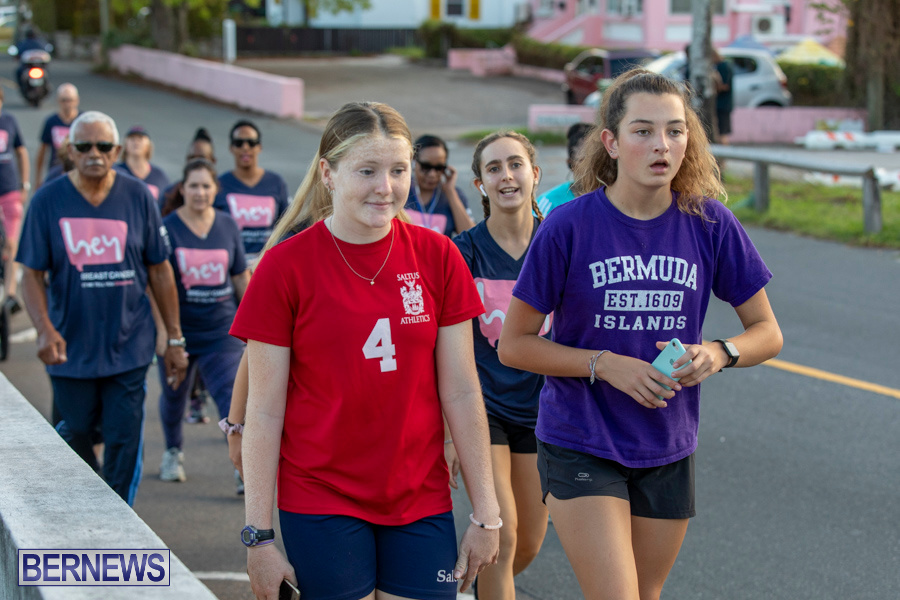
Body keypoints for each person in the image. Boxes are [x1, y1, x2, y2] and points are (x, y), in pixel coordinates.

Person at [498, 70, 783, 600]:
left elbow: (767, 332)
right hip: (581, 439)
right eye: (643, 131)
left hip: (667, 442)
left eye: (675, 131)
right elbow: (513, 344)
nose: (662, 145)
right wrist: (603, 364)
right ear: (611, 141)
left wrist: (719, 353)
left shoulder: (710, 223)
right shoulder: (568, 226)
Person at [229, 101, 500, 599]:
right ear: (327, 174)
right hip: (320, 498)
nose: (386, 187)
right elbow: (264, 411)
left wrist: (487, 514)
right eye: (367, 170)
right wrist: (258, 537)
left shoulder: (438, 256)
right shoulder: (284, 267)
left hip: (420, 498)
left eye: (398, 170)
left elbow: (462, 391)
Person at [16, 111, 189, 505]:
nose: (94, 153)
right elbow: (31, 275)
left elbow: (160, 270)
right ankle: (87, 504)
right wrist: (44, 329)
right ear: (70, 151)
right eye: (84, 146)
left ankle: (118, 518)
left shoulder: (138, 197)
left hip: (128, 346)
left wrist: (175, 339)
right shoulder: (47, 201)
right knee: (74, 432)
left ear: (117, 151)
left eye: (104, 146)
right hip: (69, 349)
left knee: (123, 440)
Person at [453, 130, 550, 599]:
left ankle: (478, 590)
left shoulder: (557, 245)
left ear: (535, 174)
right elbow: (442, 347)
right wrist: (446, 428)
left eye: (515, 164)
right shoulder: (462, 252)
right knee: (502, 533)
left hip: (545, 411)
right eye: (494, 168)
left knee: (528, 542)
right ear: (480, 184)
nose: (506, 176)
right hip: (483, 408)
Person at [155, 159, 249, 483]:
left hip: (221, 331)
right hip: (179, 331)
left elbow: (240, 277)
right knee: (174, 397)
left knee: (232, 399)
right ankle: (172, 452)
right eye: (193, 186)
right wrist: (164, 333)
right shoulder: (167, 228)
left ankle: (241, 466)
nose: (200, 192)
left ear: (215, 189)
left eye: (206, 186)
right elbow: (155, 283)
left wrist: (254, 322)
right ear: (182, 189)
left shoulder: (227, 225)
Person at [214, 120, 288, 259]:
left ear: (259, 147)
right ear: (231, 148)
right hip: (234, 264)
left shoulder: (276, 182)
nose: (245, 147)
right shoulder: (219, 184)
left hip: (267, 262)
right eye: (239, 143)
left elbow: (286, 225)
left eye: (251, 142)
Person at [405, 134, 475, 236]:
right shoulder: (402, 190)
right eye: (426, 167)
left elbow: (470, 236)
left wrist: (450, 192)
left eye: (439, 168)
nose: (432, 174)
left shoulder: (453, 195)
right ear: (414, 161)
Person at [0, 87, 31, 315]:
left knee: (11, 243)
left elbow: (22, 152)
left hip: (9, 189)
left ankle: (10, 293)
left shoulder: (9, 121)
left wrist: (25, 183)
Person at [536, 122, 594, 216]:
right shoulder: (549, 203)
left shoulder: (615, 201)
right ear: (570, 163)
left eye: (596, 160)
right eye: (583, 161)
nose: (592, 166)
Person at [35, 83, 80, 188]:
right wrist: (38, 178)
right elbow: (43, 150)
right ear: (58, 101)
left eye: (70, 100)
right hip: (56, 171)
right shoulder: (51, 122)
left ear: (76, 100)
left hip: (77, 171)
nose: (67, 104)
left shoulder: (82, 121)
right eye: (64, 100)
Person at [114, 126, 170, 202]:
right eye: (132, 138)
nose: (136, 142)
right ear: (125, 145)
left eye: (140, 138)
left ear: (148, 145)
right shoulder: (115, 172)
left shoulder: (159, 176)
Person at [712, 49, 734, 146]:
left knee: (722, 134)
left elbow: (725, 86)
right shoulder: (721, 66)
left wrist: (716, 81)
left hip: (723, 104)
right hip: (721, 104)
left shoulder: (723, 67)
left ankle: (724, 152)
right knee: (720, 133)